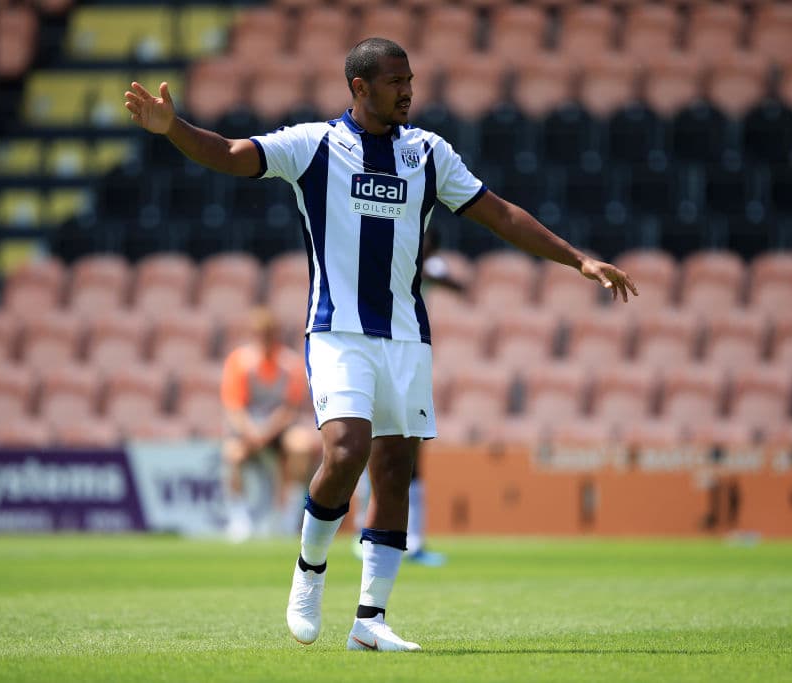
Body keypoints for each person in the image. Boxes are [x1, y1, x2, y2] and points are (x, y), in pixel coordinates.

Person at [124, 37, 636, 652]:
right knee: (346, 451)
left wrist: (577, 259)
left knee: (393, 471)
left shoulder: (427, 153)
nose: (408, 90)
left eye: (410, 78)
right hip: (337, 332)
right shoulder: (314, 145)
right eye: (395, 80)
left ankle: (370, 620)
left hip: (405, 337)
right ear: (359, 88)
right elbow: (234, 154)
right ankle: (309, 573)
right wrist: (172, 127)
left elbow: (498, 213)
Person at [352, 226, 463, 566]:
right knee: (371, 447)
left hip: (408, 357)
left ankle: (413, 540)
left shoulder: (427, 267)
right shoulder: (388, 259)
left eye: (427, 243)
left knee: (410, 451)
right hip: (373, 352)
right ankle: (365, 532)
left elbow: (457, 285)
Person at [220, 307, 318, 541]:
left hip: (278, 431)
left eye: (268, 333)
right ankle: (239, 518)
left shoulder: (290, 363)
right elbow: (234, 407)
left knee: (302, 446)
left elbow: (289, 408)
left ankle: (289, 516)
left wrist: (266, 432)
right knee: (232, 454)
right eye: (258, 333)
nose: (263, 339)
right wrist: (251, 431)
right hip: (248, 430)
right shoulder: (239, 362)